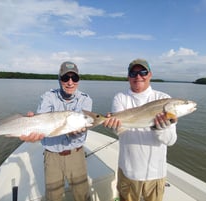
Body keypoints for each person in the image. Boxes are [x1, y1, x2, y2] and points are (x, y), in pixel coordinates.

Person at [104, 59, 178, 201]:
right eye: (133, 73)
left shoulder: (164, 99)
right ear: (128, 77)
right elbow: (119, 131)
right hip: (128, 171)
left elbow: (171, 141)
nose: (138, 76)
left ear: (150, 74)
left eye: (143, 72)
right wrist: (114, 126)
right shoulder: (120, 98)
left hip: (156, 174)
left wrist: (160, 129)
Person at [20, 61, 92, 201]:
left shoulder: (85, 100)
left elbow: (79, 125)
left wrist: (77, 130)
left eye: (74, 78)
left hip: (76, 154)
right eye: (66, 78)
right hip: (52, 155)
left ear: (78, 80)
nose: (70, 82)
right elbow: (41, 120)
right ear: (59, 79)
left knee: (83, 196)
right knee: (53, 197)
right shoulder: (48, 96)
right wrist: (31, 124)